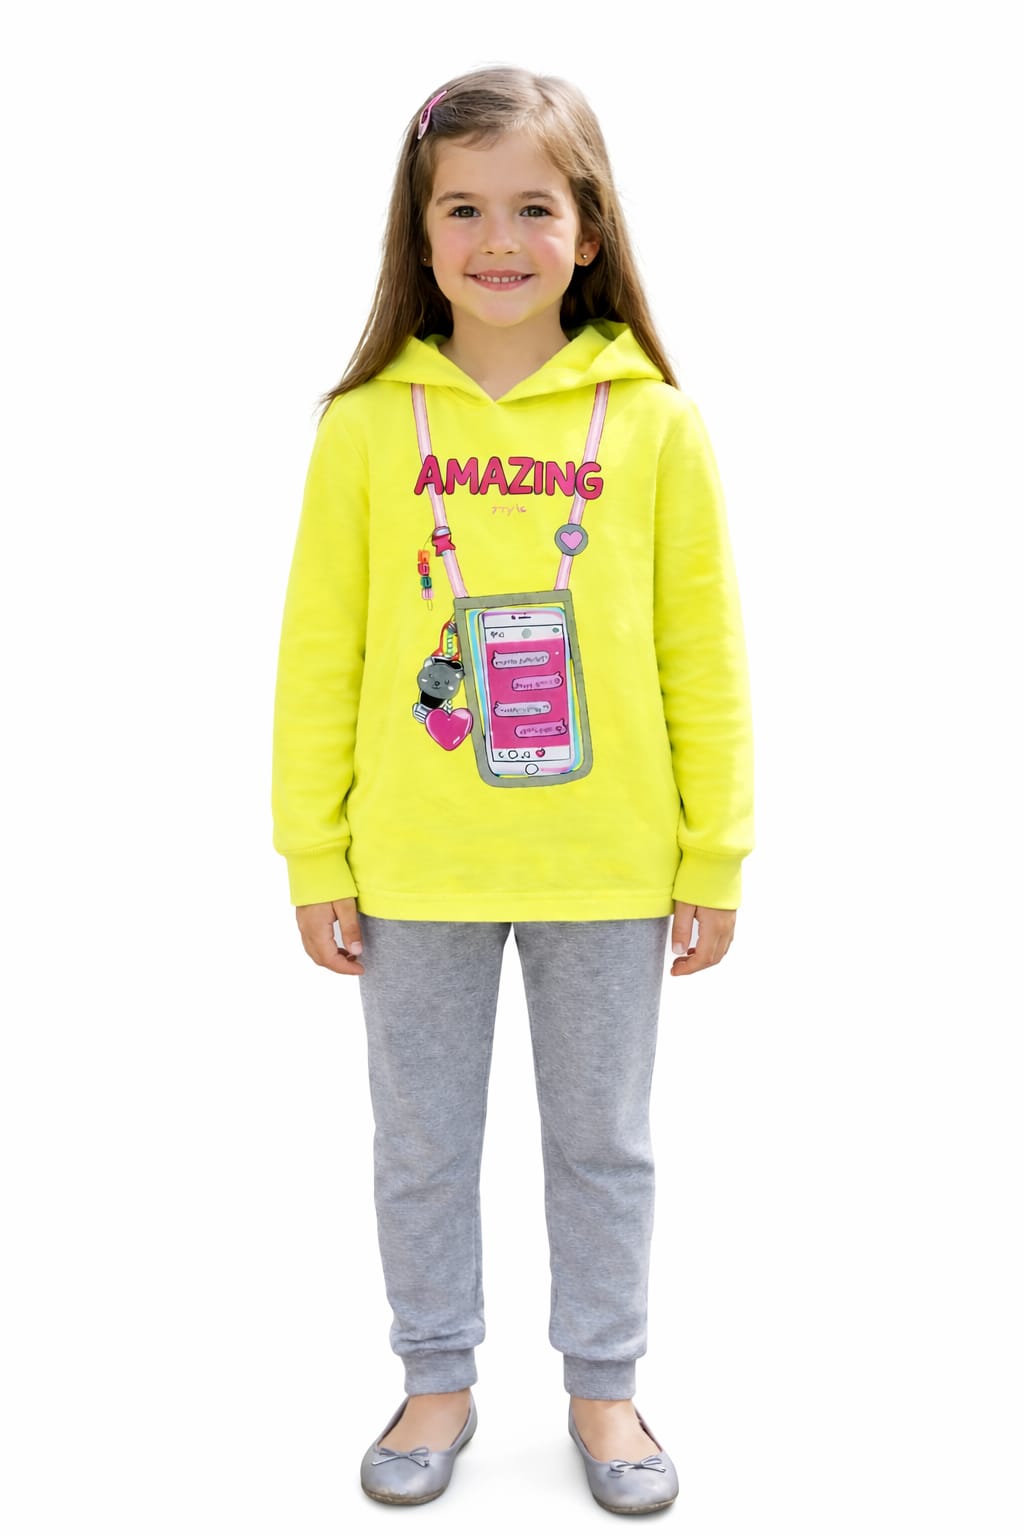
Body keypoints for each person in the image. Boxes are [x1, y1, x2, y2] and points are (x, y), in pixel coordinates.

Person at [271, 65, 754, 1515]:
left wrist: (714, 854)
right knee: (422, 1145)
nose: (498, 240)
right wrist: (314, 851)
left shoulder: (654, 424)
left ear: (588, 229)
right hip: (414, 864)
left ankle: (604, 1390)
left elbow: (702, 655)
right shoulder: (367, 427)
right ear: (419, 235)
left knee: (603, 1146)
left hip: (609, 864)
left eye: (533, 208)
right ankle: (437, 1377)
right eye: (463, 209)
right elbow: (318, 653)